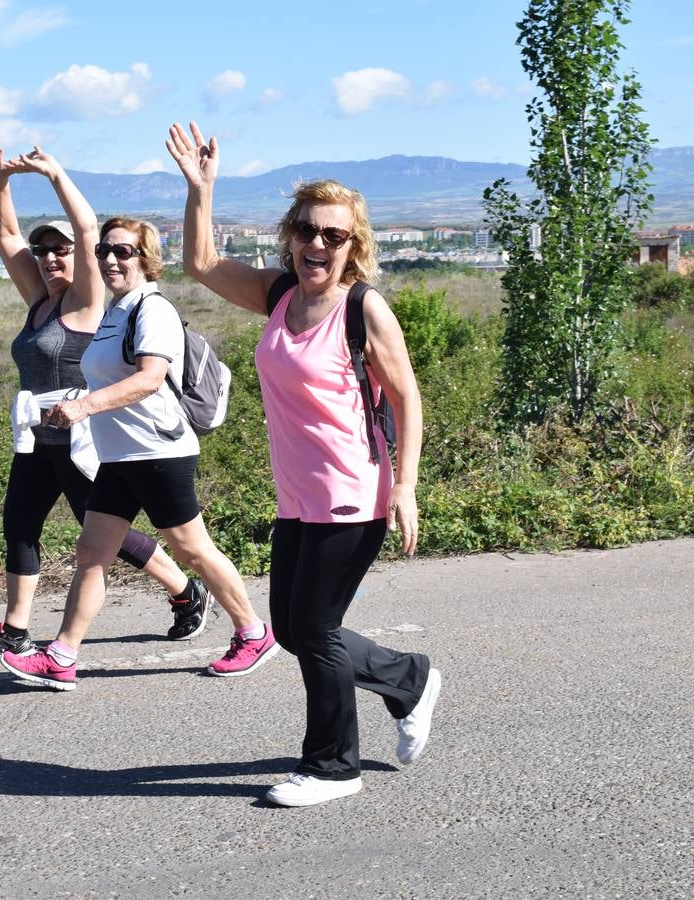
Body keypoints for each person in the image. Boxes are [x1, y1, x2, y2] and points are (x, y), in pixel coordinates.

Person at [166, 121, 442, 807]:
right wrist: (200, 189)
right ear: (291, 234)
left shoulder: (363, 307)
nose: (318, 244)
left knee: (313, 631)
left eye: (334, 235)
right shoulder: (280, 294)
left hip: (355, 491)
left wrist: (405, 486)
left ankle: (331, 767)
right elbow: (200, 264)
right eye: (308, 231)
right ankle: (407, 679)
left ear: (355, 246)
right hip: (299, 496)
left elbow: (406, 396)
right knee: (292, 629)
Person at [0, 147, 214, 665]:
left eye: (62, 249)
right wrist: (0, 180)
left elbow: (87, 223)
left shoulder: (86, 298)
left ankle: (186, 589)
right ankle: (15, 630)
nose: (50, 257)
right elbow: (7, 237)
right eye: (43, 250)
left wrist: (54, 174)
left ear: (85, 254)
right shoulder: (39, 300)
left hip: (84, 436)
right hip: (36, 433)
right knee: (20, 523)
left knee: (102, 534)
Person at [1, 215, 278, 691]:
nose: (110, 258)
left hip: (158, 453)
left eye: (123, 251)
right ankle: (62, 656)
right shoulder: (115, 312)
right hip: (117, 456)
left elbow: (150, 378)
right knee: (92, 553)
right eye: (104, 250)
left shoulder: (153, 310)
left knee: (192, 550)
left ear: (146, 259)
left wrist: (82, 406)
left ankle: (254, 632)